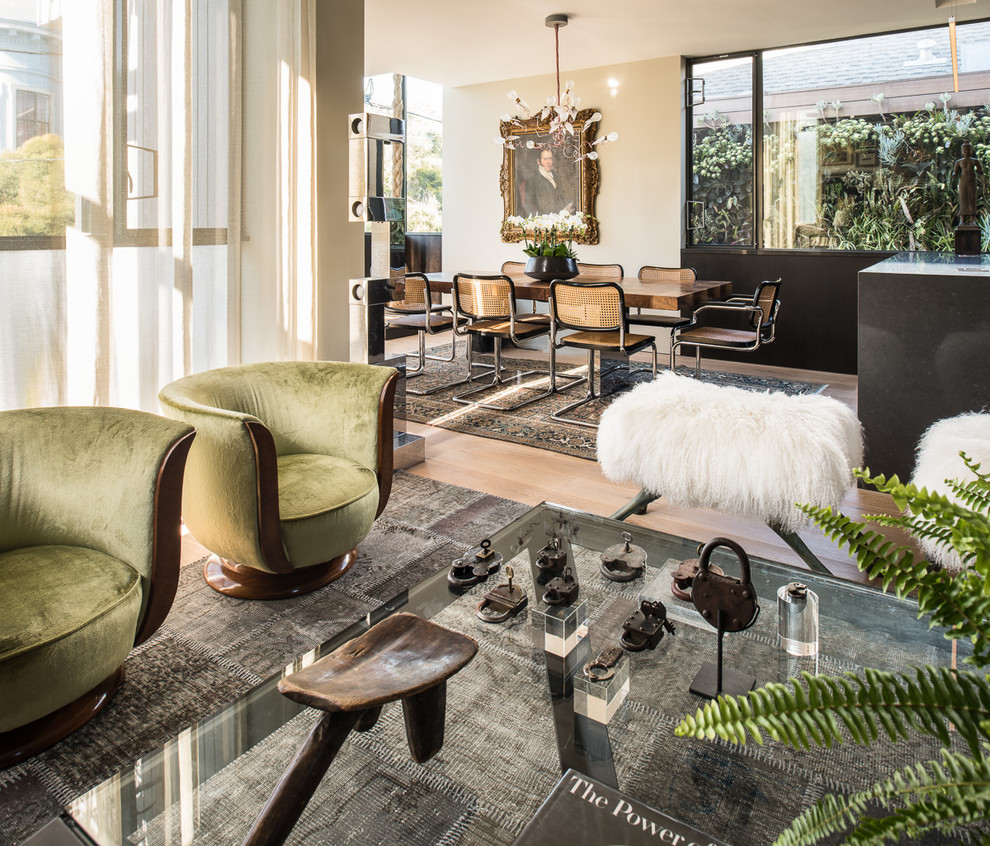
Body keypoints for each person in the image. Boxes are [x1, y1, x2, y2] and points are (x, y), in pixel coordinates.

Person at [523, 147, 575, 216]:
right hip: (544, 221)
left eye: (550, 158)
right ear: (538, 161)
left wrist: (569, 206)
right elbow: (529, 208)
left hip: (559, 218)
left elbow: (562, 196)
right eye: (545, 159)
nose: (548, 162)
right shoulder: (532, 181)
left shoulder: (556, 176)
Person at [952, 140, 983, 225]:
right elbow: (955, 171)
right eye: (965, 150)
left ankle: (972, 220)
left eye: (968, 150)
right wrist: (954, 174)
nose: (966, 152)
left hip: (972, 181)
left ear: (971, 151)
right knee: (963, 199)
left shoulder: (975, 161)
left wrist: (981, 172)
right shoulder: (959, 162)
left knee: (972, 199)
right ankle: (962, 220)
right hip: (963, 181)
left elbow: (980, 170)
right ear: (962, 151)